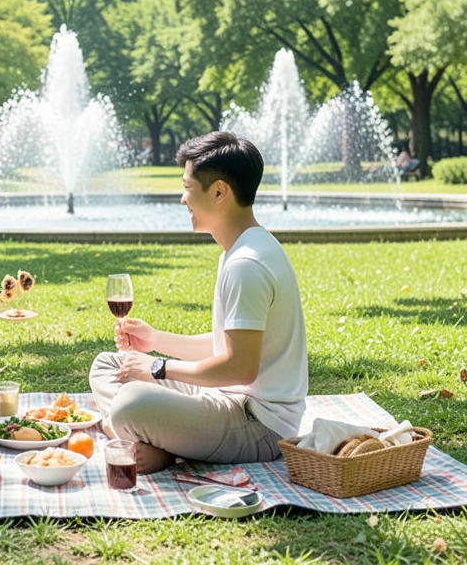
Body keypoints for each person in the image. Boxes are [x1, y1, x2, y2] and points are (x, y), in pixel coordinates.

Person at [89, 131, 307, 474]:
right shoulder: (242, 249)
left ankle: (157, 446)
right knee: (108, 364)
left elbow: (239, 368)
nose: (182, 199)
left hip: (259, 425)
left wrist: (157, 368)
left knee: (130, 403)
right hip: (227, 398)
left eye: (188, 188)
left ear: (219, 191)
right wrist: (155, 340)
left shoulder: (247, 265)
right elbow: (227, 345)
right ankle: (155, 439)